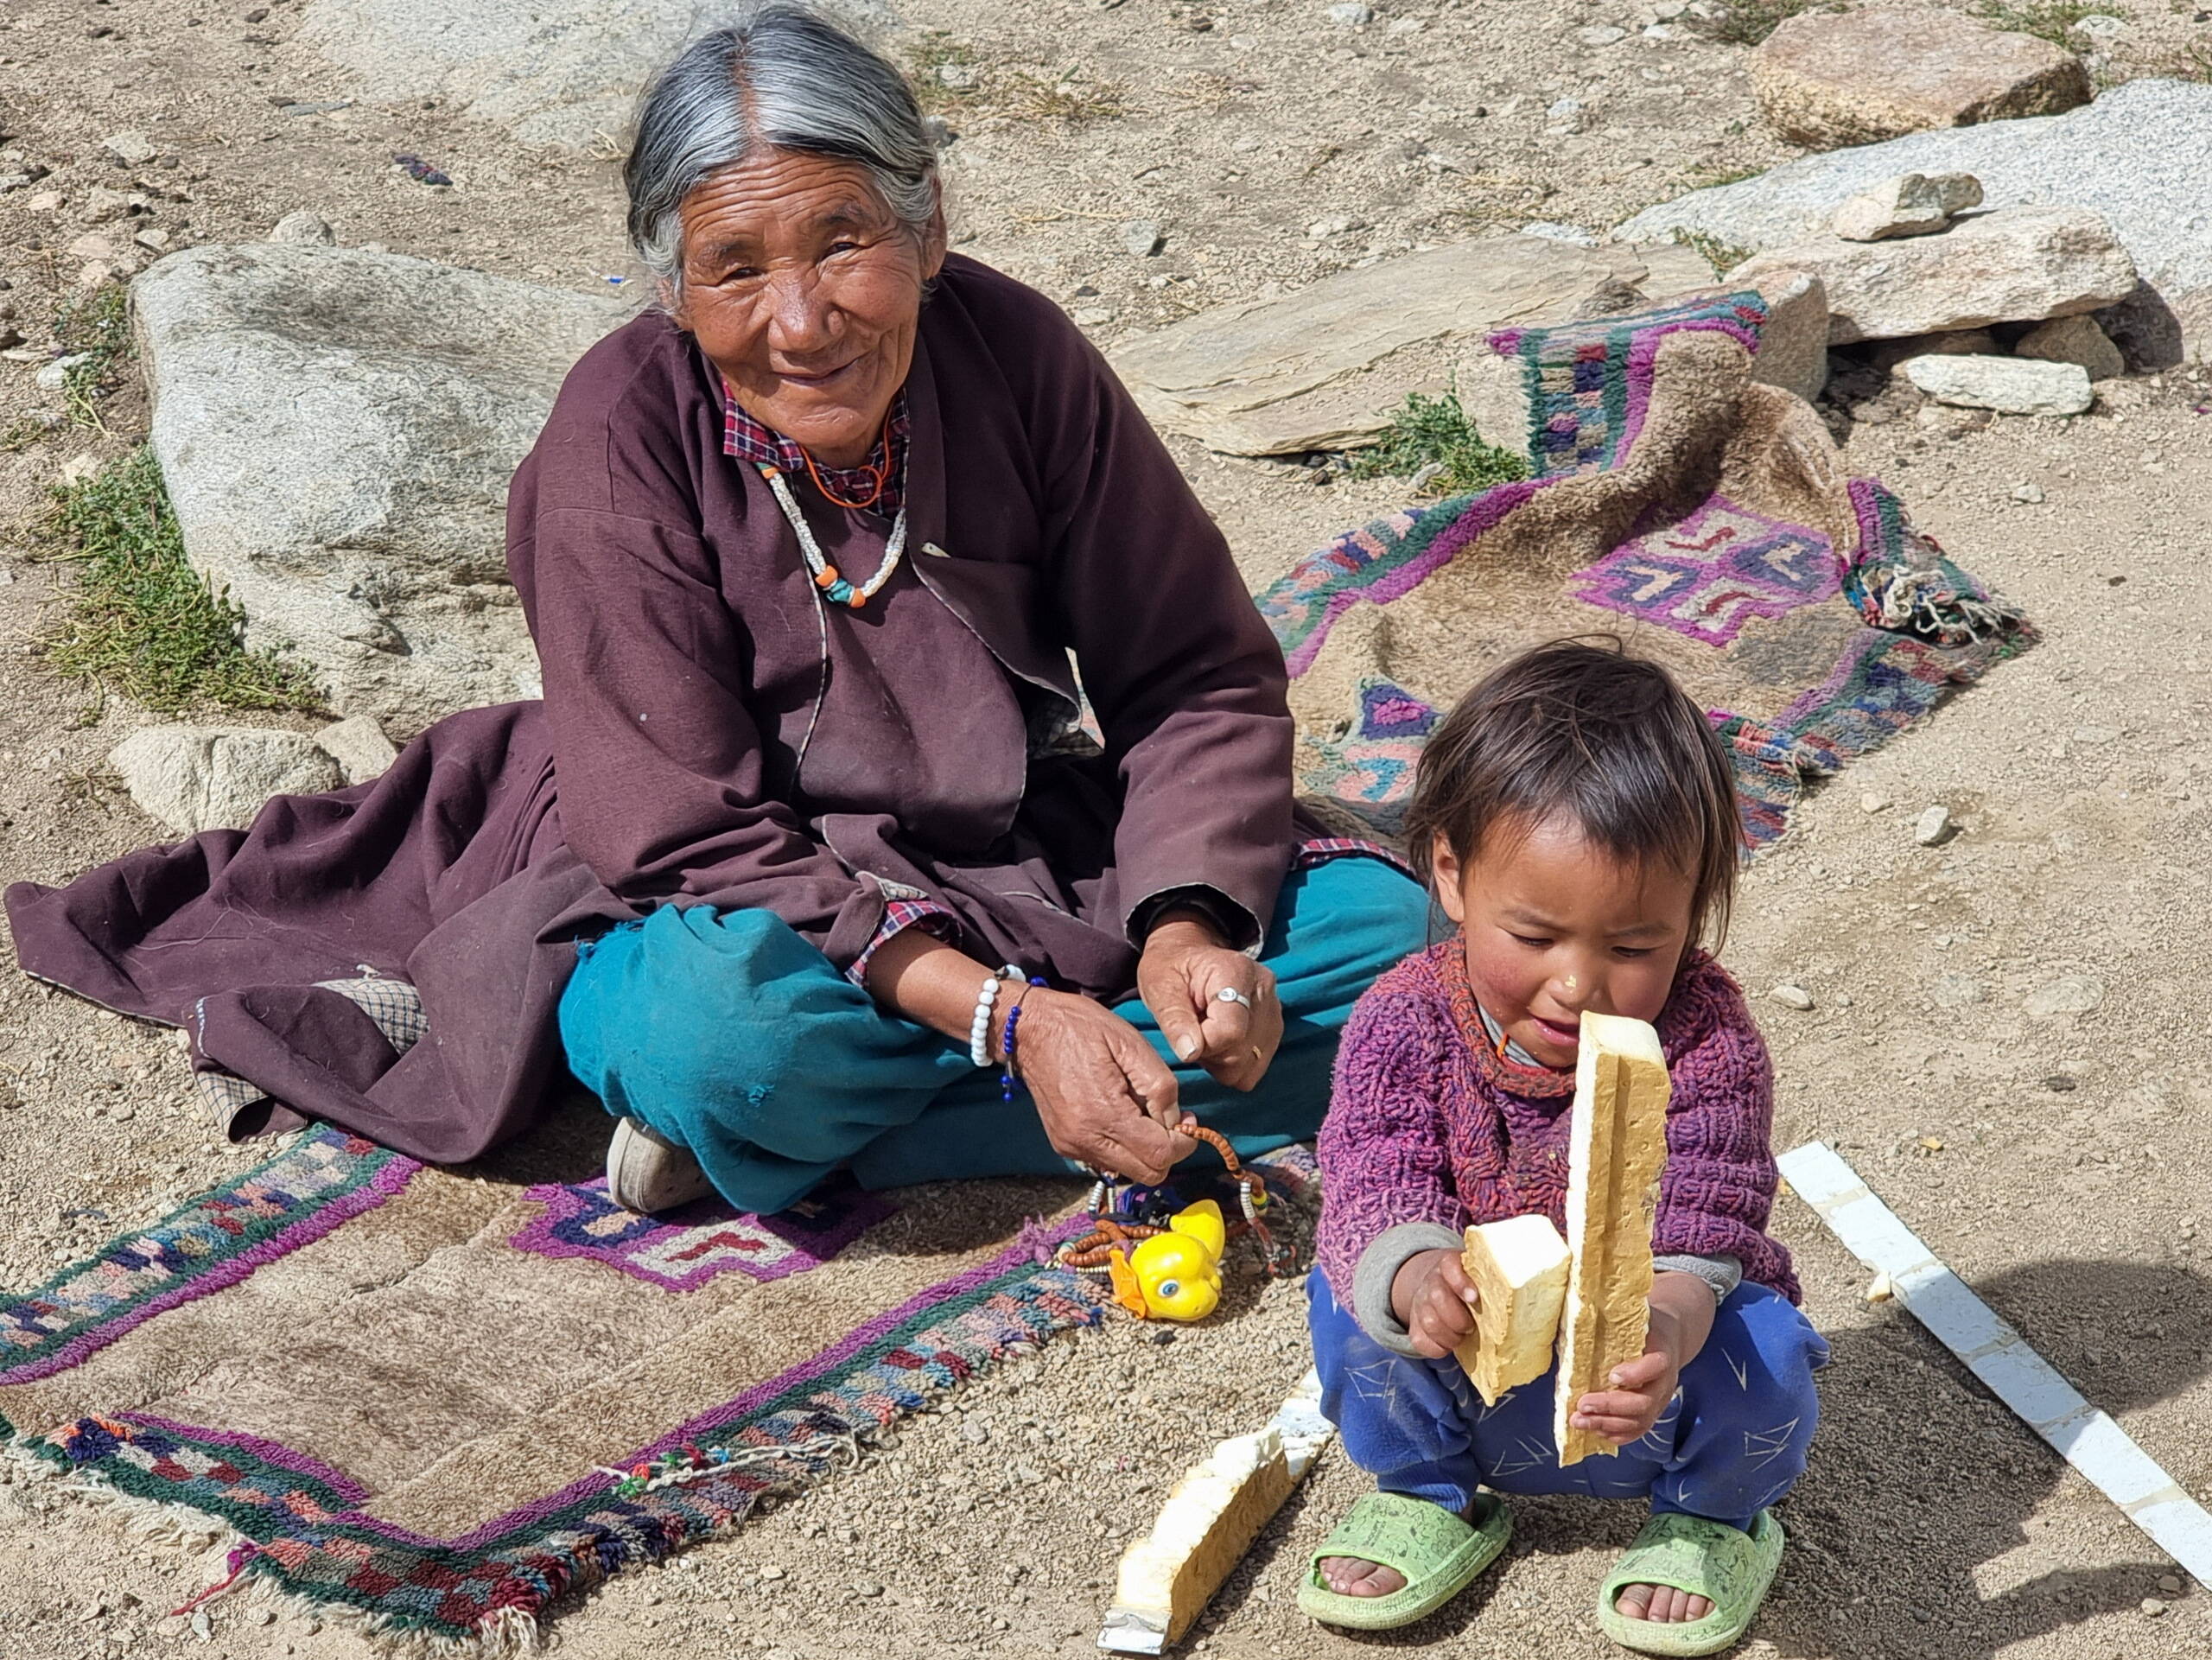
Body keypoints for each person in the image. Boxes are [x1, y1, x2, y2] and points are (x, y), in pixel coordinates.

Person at [3, 3, 1427, 1216]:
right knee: (725, 1040)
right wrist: (1013, 1018)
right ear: (671, 290)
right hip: (721, 903)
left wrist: (1184, 929)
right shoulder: (616, 437)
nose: (801, 319)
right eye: (736, 267)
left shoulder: (1018, 357)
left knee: (1404, 947)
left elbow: (1188, 672)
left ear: (931, 230)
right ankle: (851, 1108)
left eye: (844, 241)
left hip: (1008, 855)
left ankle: (813, 1148)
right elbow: (678, 831)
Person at [1297, 640, 1827, 1656]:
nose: (1578, 983)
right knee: (1345, 1294)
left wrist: (1665, 1330)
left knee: (1764, 1343)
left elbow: (1709, 1210)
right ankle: (1430, 1489)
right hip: (1469, 1362)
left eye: (1633, 947)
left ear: (1691, 916)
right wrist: (1413, 1274)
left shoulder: (1706, 1038)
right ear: (1449, 873)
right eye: (1535, 936)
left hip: (1643, 1385)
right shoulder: (1404, 1019)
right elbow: (1370, 1167)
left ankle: (1715, 1514)